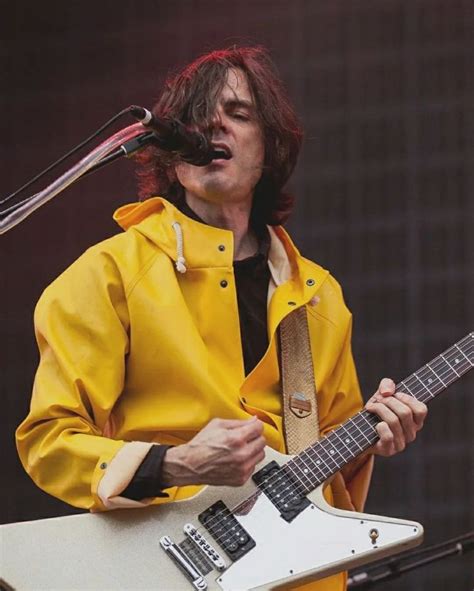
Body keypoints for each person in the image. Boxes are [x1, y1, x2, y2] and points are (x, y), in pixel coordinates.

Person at [16, 47, 427, 591]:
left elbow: (322, 476)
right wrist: (177, 463)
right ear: (169, 149)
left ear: (270, 145)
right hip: (154, 569)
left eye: (237, 112)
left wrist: (372, 441)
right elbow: (51, 440)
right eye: (196, 117)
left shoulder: (319, 298)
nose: (213, 125)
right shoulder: (108, 273)